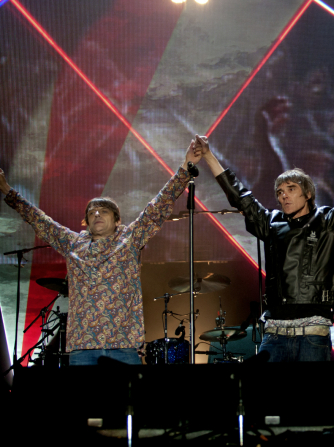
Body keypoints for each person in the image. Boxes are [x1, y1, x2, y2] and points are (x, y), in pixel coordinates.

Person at [196, 125, 334, 362]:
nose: (284, 195)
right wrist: (208, 155)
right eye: (280, 192)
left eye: (291, 189)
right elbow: (239, 196)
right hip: (275, 334)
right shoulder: (270, 222)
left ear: (308, 194)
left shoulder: (326, 221)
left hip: (313, 333)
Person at [0, 143, 202, 366]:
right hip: (83, 346)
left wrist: (185, 167)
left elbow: (158, 206)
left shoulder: (130, 239)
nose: (97, 214)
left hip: (122, 345)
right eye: (92, 212)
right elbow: (40, 220)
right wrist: (9, 192)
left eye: (104, 211)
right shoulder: (73, 243)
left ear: (117, 220)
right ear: (86, 222)